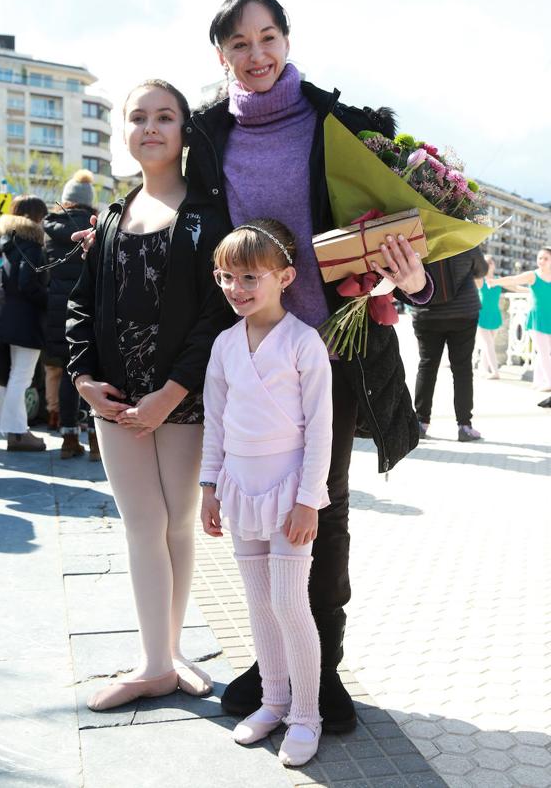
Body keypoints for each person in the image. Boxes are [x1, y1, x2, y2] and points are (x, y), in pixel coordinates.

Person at [71, 0, 433, 731]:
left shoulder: (344, 128)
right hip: (237, 350)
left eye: (268, 37)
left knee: (319, 508)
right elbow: (178, 214)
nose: (256, 54)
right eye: (239, 43)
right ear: (220, 54)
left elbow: (405, 238)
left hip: (328, 346)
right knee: (248, 503)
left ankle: (321, 669)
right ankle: (275, 666)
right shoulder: (208, 133)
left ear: (287, 40)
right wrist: (113, 242)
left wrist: (414, 278)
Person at [66, 79, 233, 712]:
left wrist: (172, 391)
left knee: (177, 524)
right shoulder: (112, 215)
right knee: (144, 524)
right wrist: (83, 380)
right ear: (125, 132)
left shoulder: (209, 216)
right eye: (138, 117)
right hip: (115, 401)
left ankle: (168, 654)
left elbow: (217, 314)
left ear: (185, 131)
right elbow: (82, 304)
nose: (151, 127)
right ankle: (156, 661)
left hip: (182, 397)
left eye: (165, 117)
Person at [201, 219, 331, 766]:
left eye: (250, 276)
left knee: (288, 602)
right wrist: (208, 486)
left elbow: (321, 427)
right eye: (226, 277)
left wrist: (309, 499)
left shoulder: (303, 341)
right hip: (239, 486)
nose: (236, 288)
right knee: (257, 603)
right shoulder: (224, 344)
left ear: (285, 277)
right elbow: (215, 421)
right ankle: (274, 701)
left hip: (288, 490)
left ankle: (307, 714)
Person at [44, 170, 100, 460]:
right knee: (93, 371)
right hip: (89, 307)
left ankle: (68, 438)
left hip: (57, 309)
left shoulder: (51, 230)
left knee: (69, 372)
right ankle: (96, 440)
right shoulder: (96, 228)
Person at [410, 246, 488, 441]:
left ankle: (420, 423)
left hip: (427, 312)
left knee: (427, 366)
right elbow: (482, 270)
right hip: (463, 312)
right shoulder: (464, 240)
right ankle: (464, 426)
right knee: (462, 369)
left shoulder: (418, 241)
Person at [0, 195, 49, 451]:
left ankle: (16, 429)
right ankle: (16, 432)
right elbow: (29, 284)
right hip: (27, 320)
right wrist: (51, 299)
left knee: (17, 376)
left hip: (11, 316)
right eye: (43, 216)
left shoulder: (11, 243)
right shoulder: (32, 246)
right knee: (22, 378)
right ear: (35, 217)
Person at [489, 247, 551, 391]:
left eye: (546, 258)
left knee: (544, 352)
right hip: (537, 319)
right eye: (539, 258)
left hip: (549, 319)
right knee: (543, 352)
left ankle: (538, 382)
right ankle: (549, 381)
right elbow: (514, 279)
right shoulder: (533, 275)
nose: (541, 261)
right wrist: (496, 282)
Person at [475, 254, 503, 379]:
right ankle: (495, 372)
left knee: (488, 345)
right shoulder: (480, 279)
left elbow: (514, 286)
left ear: (494, 265)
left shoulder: (498, 280)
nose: (488, 264)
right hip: (482, 315)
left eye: (490, 262)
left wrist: (530, 291)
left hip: (495, 316)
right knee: (489, 344)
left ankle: (483, 369)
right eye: (485, 262)